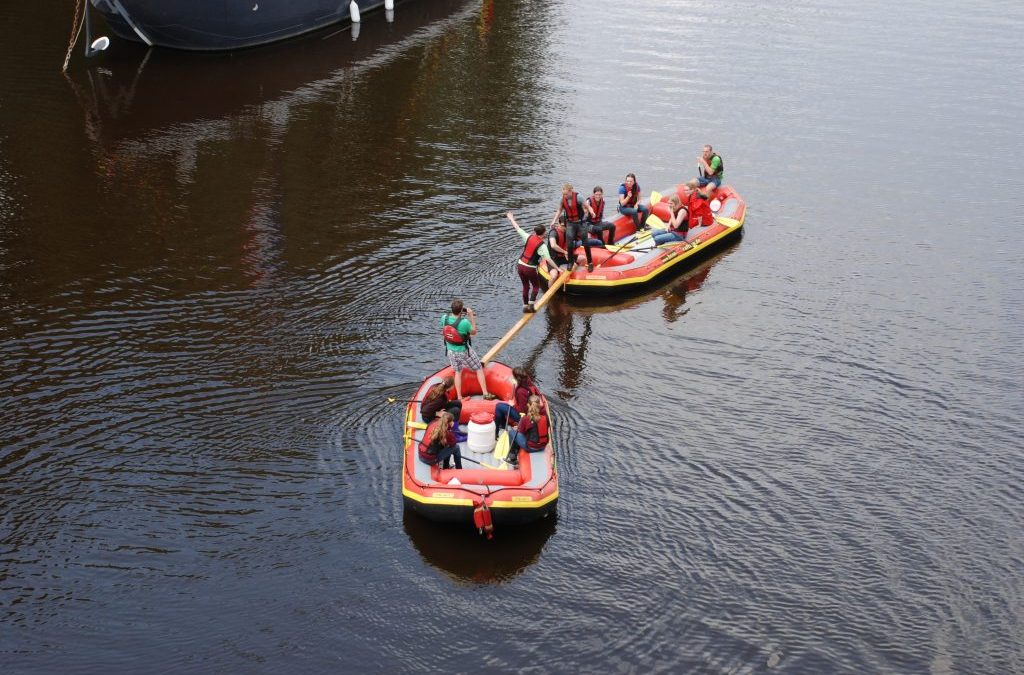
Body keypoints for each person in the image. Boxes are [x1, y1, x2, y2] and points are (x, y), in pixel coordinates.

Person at [441, 299, 495, 400]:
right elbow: (474, 332)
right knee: (478, 368)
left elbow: (444, 330)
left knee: (458, 372)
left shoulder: (444, 318)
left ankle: (459, 396)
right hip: (463, 351)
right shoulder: (464, 322)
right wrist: (471, 317)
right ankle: (485, 393)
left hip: (450, 351)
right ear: (462, 310)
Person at [507, 212, 557, 313]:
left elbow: (517, 227)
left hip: (520, 265)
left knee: (525, 286)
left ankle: (525, 306)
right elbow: (548, 260)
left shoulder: (527, 236)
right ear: (543, 234)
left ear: (535, 233)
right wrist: (557, 268)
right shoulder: (542, 246)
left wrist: (511, 218)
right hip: (529, 268)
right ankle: (531, 306)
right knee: (536, 286)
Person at [550, 183, 594, 272]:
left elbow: (587, 206)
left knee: (585, 243)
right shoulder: (562, 199)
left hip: (581, 223)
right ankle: (570, 262)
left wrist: (592, 212)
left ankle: (590, 263)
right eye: (563, 194)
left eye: (566, 194)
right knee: (569, 244)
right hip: (570, 223)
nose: (564, 196)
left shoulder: (578, 197)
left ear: (570, 191)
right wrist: (553, 221)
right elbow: (559, 210)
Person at [505, 395, 549, 465]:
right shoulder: (545, 417)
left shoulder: (525, 419)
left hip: (531, 447)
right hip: (543, 447)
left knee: (511, 432)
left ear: (528, 405)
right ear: (539, 405)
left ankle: (512, 458)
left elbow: (521, 433)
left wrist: (517, 428)